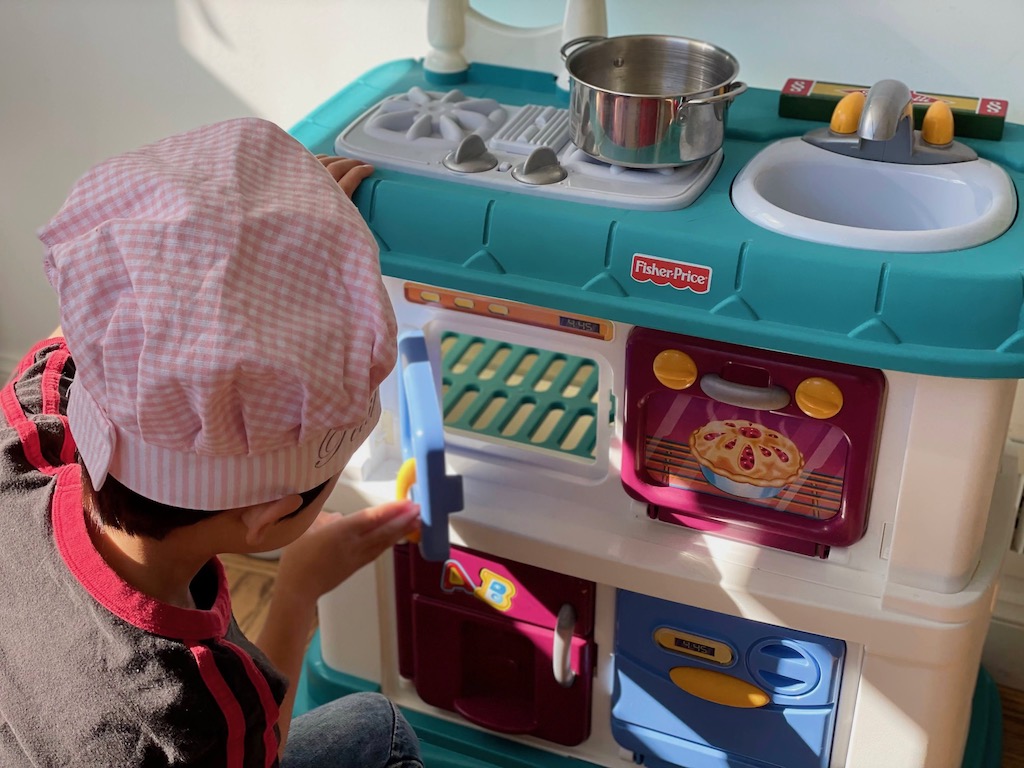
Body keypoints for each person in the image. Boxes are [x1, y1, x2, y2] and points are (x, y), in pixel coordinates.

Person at [0, 117, 423, 767]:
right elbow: (263, 747)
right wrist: (300, 592)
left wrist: (271, 243)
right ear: (273, 513)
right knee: (380, 728)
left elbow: (98, 306)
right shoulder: (197, 695)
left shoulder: (25, 441)